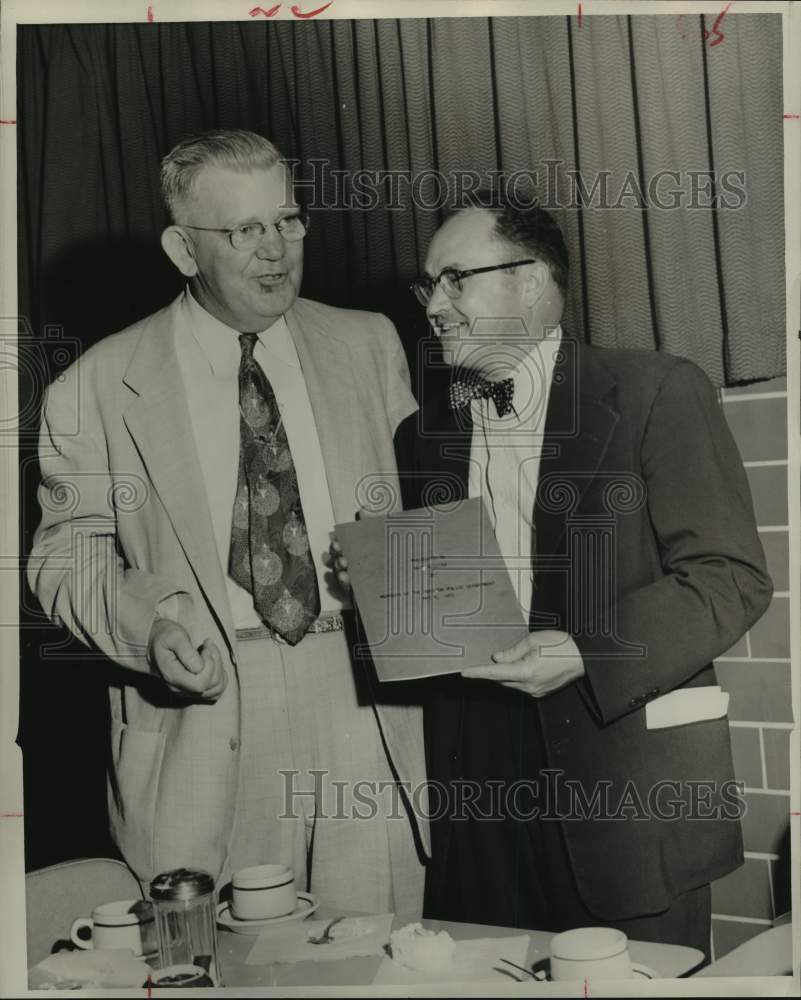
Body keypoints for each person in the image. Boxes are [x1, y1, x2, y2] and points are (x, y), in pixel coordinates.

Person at [27, 129, 429, 914]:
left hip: (359, 701)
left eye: (287, 220)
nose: (275, 250)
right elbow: (63, 554)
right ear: (183, 249)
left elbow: (422, 511)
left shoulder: (369, 343)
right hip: (201, 718)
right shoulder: (94, 386)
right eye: (244, 230)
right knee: (219, 968)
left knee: (380, 960)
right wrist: (151, 625)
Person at [390, 193, 773, 956]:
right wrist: (383, 586)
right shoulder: (421, 434)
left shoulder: (655, 391)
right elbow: (444, 618)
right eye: (427, 285)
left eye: (455, 279)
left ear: (530, 280)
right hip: (484, 803)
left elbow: (728, 578)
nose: (434, 305)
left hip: (626, 792)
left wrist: (584, 651)